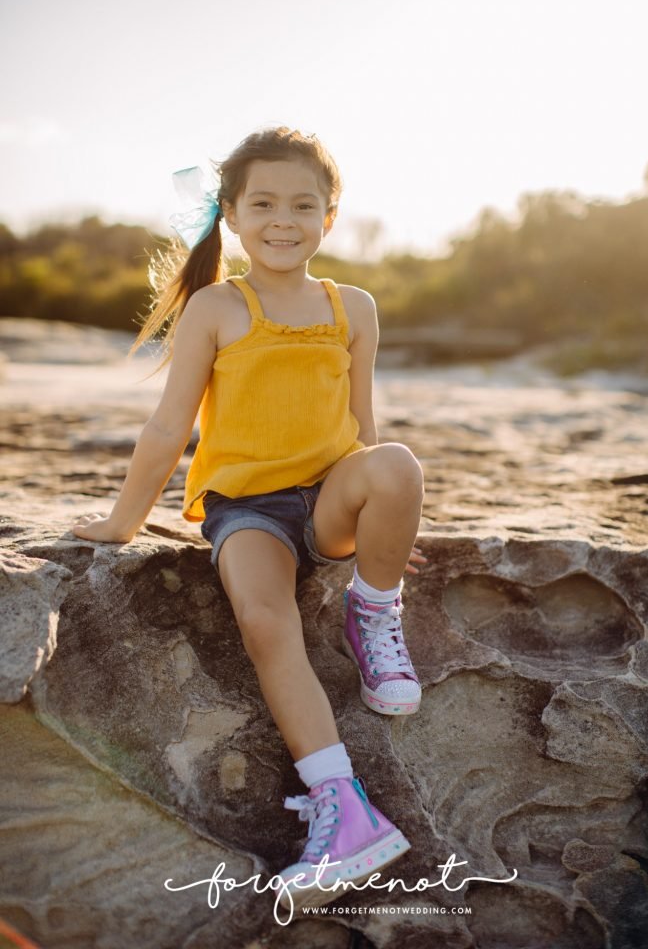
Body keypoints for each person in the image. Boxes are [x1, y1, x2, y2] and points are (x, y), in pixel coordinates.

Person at [70, 126, 427, 907]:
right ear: (231, 215)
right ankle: (345, 810)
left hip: (332, 495)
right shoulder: (216, 308)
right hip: (250, 512)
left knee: (398, 462)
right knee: (265, 620)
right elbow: (169, 428)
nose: (283, 219)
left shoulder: (353, 307)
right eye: (262, 203)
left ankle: (374, 615)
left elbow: (363, 426)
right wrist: (123, 523)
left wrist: (382, 531)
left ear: (329, 217)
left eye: (303, 204)